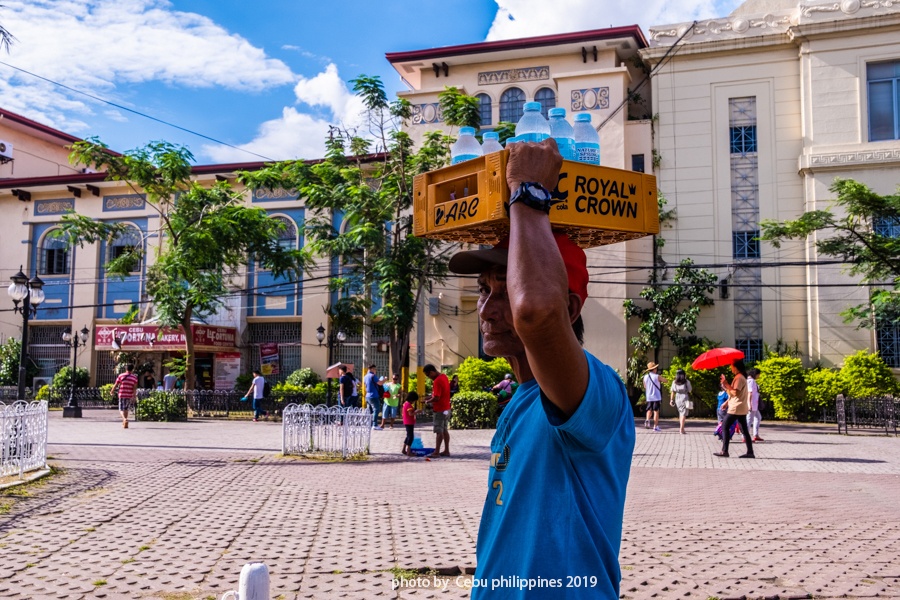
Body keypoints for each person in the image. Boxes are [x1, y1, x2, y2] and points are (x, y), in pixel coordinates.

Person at [446, 139, 634, 599]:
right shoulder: (521, 400)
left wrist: (529, 193)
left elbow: (537, 316)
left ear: (568, 307)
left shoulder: (592, 392)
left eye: (503, 291)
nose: (486, 310)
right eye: (483, 290)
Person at [714, 359, 755, 458]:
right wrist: (726, 402)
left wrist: (726, 384)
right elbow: (733, 393)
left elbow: (736, 392)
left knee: (725, 426)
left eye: (732, 365)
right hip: (740, 407)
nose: (730, 367)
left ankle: (725, 451)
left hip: (736, 407)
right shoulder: (739, 377)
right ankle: (750, 452)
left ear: (736, 367)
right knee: (744, 430)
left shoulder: (739, 378)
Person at [424, 364, 451, 458]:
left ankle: (437, 452)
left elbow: (436, 398)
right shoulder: (444, 376)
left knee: (439, 431)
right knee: (444, 430)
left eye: (428, 375)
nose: (428, 378)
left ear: (432, 372)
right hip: (447, 408)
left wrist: (427, 401)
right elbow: (441, 394)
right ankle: (446, 450)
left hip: (440, 409)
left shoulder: (437, 381)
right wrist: (429, 398)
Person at [112, 364, 139, 429]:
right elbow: (134, 388)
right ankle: (124, 423)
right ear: (132, 370)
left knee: (121, 409)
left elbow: (116, 384)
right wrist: (134, 397)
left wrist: (112, 391)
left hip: (122, 394)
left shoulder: (121, 375)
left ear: (126, 369)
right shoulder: (134, 377)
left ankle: (124, 419)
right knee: (126, 409)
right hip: (129, 395)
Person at [642, 362, 667, 432]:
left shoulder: (645, 377)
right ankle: (655, 426)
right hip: (656, 396)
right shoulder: (657, 376)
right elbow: (666, 381)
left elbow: (645, 386)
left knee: (649, 410)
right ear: (654, 369)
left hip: (649, 396)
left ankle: (647, 420)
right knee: (656, 412)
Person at [669, 368, 692, 435]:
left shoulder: (674, 382)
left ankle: (682, 428)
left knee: (680, 413)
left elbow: (672, 391)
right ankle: (681, 429)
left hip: (677, 398)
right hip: (684, 397)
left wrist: (671, 400)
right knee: (683, 414)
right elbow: (690, 390)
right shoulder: (686, 381)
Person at [402, 391, 421, 457]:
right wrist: (417, 412)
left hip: (407, 422)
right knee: (410, 437)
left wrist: (415, 411)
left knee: (408, 436)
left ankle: (404, 449)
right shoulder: (408, 405)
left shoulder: (405, 403)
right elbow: (410, 414)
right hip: (409, 422)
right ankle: (409, 451)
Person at [747, 367, 764, 442]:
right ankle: (745, 436)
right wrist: (749, 404)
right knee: (749, 419)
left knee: (758, 417)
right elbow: (749, 393)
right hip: (752, 403)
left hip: (754, 404)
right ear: (755, 374)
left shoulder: (749, 380)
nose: (759, 376)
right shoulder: (751, 381)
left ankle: (756, 434)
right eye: (758, 375)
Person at [364, 364, 382, 429]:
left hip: (367, 396)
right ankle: (375, 425)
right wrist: (384, 380)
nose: (375, 370)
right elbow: (379, 383)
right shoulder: (373, 376)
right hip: (374, 395)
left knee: (369, 411)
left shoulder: (365, 376)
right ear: (372, 369)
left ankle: (367, 423)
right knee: (376, 410)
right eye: (375, 369)